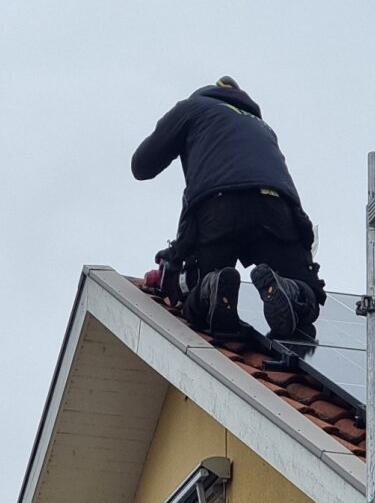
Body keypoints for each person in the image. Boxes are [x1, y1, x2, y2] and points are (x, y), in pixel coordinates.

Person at [131, 76, 326, 339]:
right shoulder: (263, 127)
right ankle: (290, 292)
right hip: (279, 211)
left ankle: (212, 288)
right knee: (307, 294)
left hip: (221, 209)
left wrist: (176, 257)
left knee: (191, 292)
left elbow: (141, 166)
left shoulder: (192, 107)